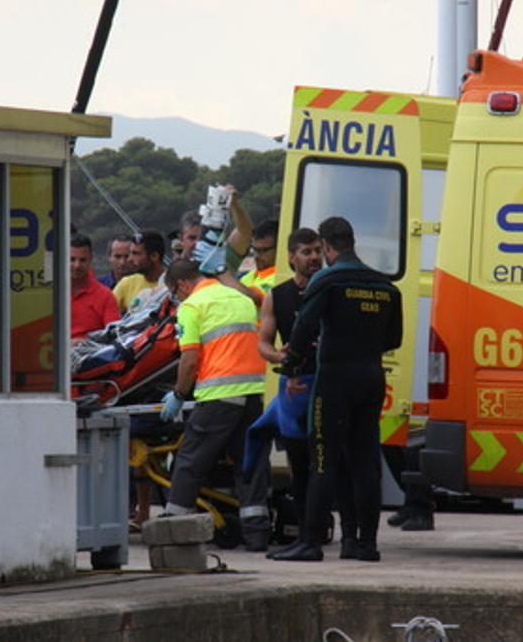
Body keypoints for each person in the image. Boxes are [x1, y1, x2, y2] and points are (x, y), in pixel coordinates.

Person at [270, 217, 403, 562]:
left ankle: (310, 542)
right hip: (371, 377)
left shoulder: (326, 281)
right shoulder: (385, 286)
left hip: (333, 379)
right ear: (352, 241)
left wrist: (292, 362)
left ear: (328, 246)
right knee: (364, 462)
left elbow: (304, 329)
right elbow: (394, 339)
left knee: (323, 461)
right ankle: (365, 543)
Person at [158, 259, 272, 551]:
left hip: (219, 394)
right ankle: (257, 536)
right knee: (251, 464)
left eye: (174, 293)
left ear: (182, 284)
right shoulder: (238, 297)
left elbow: (190, 359)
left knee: (190, 461)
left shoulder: (193, 306)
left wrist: (180, 394)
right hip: (254, 392)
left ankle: (174, 530)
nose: (176, 299)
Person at [241, 228, 337, 544]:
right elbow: (264, 344)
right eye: (306, 253)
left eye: (316, 252)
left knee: (330, 461)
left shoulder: (333, 288)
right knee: (299, 462)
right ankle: (306, 531)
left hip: (331, 386)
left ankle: (325, 527)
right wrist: (280, 357)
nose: (313, 258)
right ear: (291, 257)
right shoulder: (277, 295)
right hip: (296, 389)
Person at [69, 234, 120, 340]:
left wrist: (83, 342)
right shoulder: (48, 293)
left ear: (91, 259)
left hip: (90, 353)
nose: (77, 265)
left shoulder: (105, 296)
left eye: (82, 260)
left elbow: (115, 334)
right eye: (72, 259)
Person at [112, 231, 167, 313]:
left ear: (154, 256)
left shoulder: (175, 283)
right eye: (130, 253)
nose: (130, 259)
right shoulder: (127, 283)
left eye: (136, 254)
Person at [238, 220, 279, 296]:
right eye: (255, 249)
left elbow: (255, 297)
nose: (257, 255)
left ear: (279, 249)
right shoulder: (249, 275)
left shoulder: (280, 277)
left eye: (264, 250)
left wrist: (223, 273)